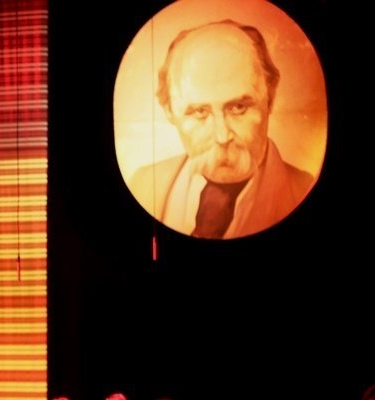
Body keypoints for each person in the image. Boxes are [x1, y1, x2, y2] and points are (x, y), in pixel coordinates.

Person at [128, 19, 315, 239]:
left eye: (238, 107)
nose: (222, 136)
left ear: (270, 99)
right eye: (199, 111)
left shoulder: (304, 190)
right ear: (169, 110)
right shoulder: (141, 184)